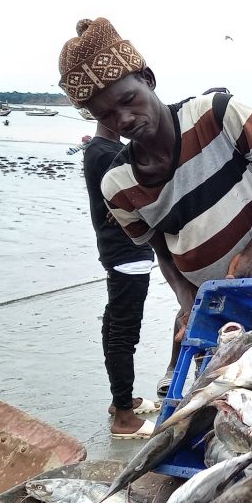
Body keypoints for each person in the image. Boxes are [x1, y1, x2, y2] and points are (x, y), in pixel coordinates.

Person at [58, 18, 252, 394]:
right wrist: (186, 298)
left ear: (147, 78)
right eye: (107, 116)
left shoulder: (217, 114)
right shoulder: (117, 184)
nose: (124, 120)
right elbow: (161, 249)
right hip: (217, 318)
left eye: (128, 101)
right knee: (229, 404)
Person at [82, 121, 163, 438]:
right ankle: (125, 419)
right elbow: (134, 200)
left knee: (114, 321)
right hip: (127, 252)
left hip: (121, 250)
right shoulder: (105, 153)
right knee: (124, 332)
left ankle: (122, 401)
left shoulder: (101, 149)